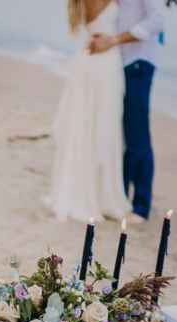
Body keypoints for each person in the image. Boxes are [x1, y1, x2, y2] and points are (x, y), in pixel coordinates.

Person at [50, 1, 131, 223]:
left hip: (88, 59)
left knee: (85, 128)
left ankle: (91, 192)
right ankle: (100, 197)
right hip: (104, 61)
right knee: (102, 129)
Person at [89, 0, 165, 223]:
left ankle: (141, 206)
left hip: (139, 62)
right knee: (121, 134)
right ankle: (121, 197)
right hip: (120, 63)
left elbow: (157, 21)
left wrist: (114, 40)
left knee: (137, 133)